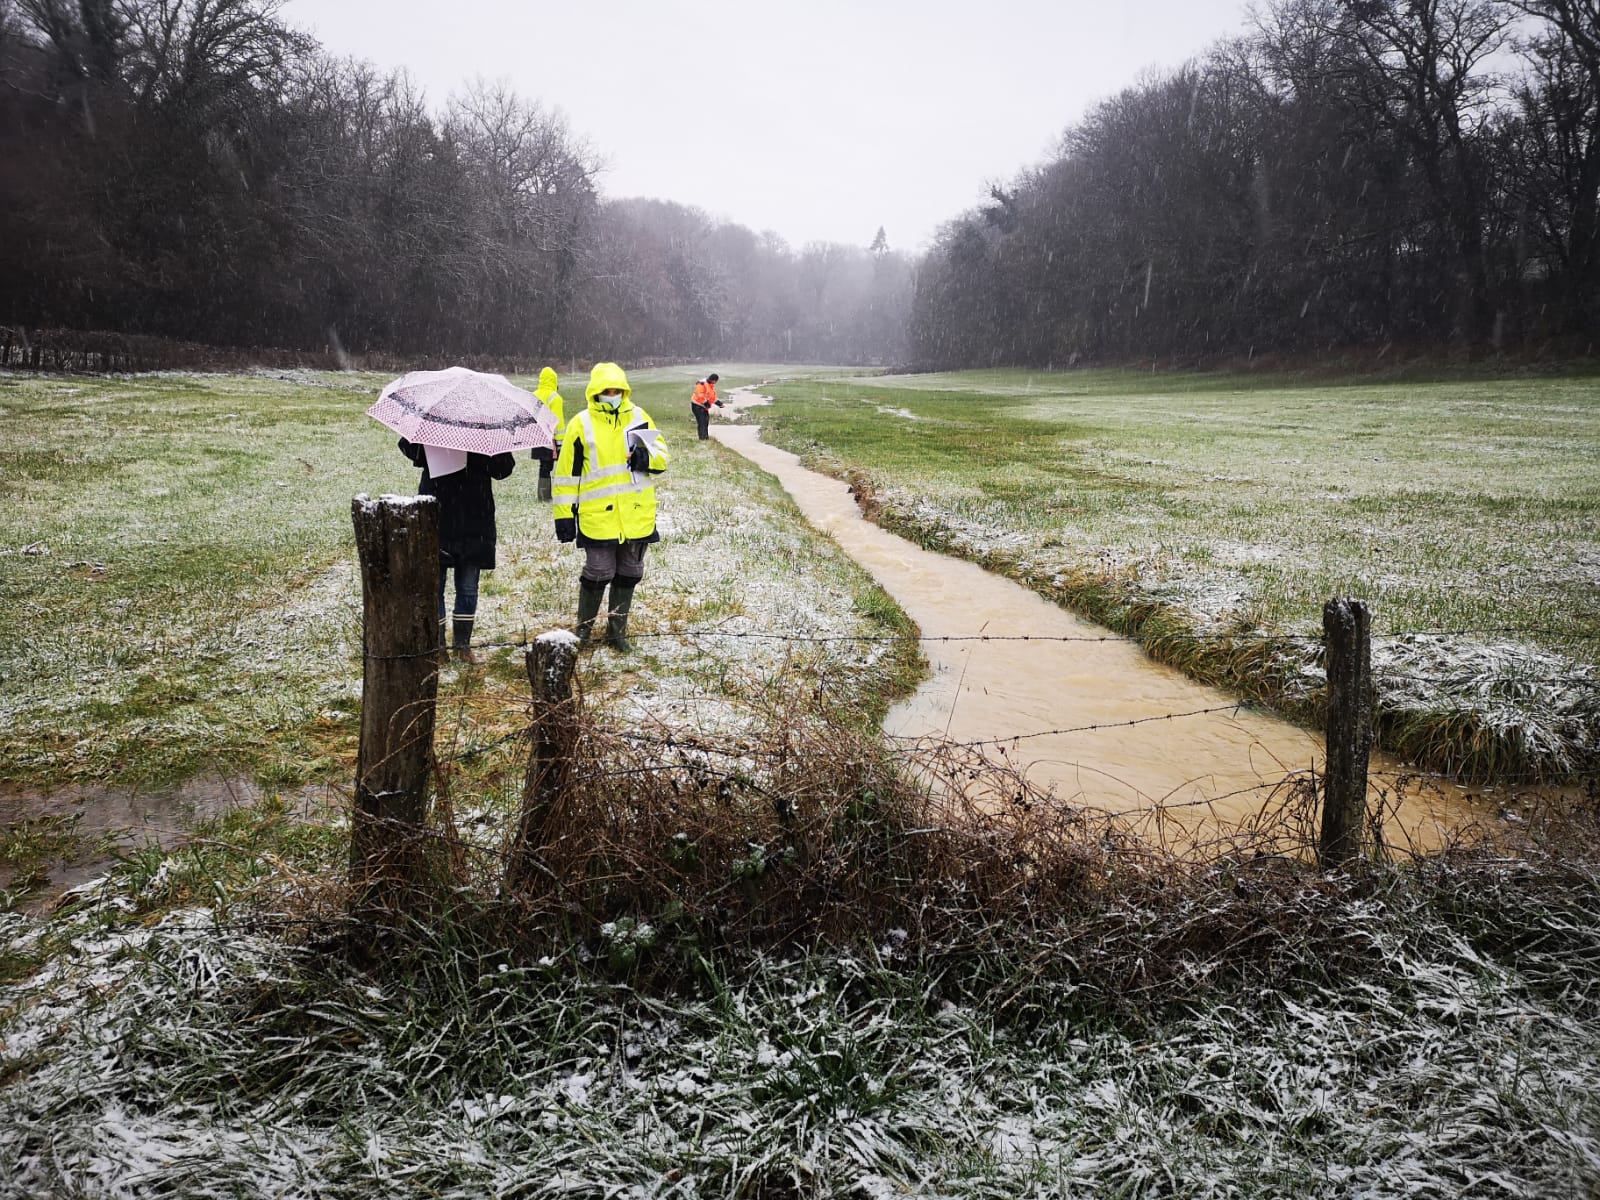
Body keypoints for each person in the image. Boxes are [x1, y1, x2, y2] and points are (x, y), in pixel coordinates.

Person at [552, 362, 669, 651]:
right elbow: (566, 475)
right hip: (598, 516)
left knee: (630, 571)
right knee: (598, 572)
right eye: (607, 390)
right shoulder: (581, 423)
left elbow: (662, 456)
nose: (612, 394)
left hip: (636, 515)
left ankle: (617, 633)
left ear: (624, 390)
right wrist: (563, 515)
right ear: (596, 392)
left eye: (617, 389)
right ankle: (583, 633)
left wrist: (646, 459)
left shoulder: (640, 417)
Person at [398, 438, 515, 662]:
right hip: (437, 512)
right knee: (435, 585)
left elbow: (503, 469)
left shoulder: (485, 428)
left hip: (474, 516)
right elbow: (410, 449)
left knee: (468, 587)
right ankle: (438, 646)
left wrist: (484, 453)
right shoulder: (433, 426)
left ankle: (462, 646)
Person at [529, 366, 566, 503]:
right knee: (558, 467)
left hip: (538, 437)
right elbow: (558, 421)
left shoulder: (533, 395)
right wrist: (560, 441)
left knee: (543, 467)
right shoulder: (555, 398)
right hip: (550, 440)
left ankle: (543, 495)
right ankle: (557, 494)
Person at [690, 372, 722, 441]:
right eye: (716, 381)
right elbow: (699, 395)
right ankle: (702, 439)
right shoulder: (702, 384)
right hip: (697, 405)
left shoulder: (710, 385)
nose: (715, 383)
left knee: (706, 422)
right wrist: (706, 403)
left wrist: (719, 404)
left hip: (703, 406)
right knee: (702, 422)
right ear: (714, 380)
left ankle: (705, 437)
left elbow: (712, 397)